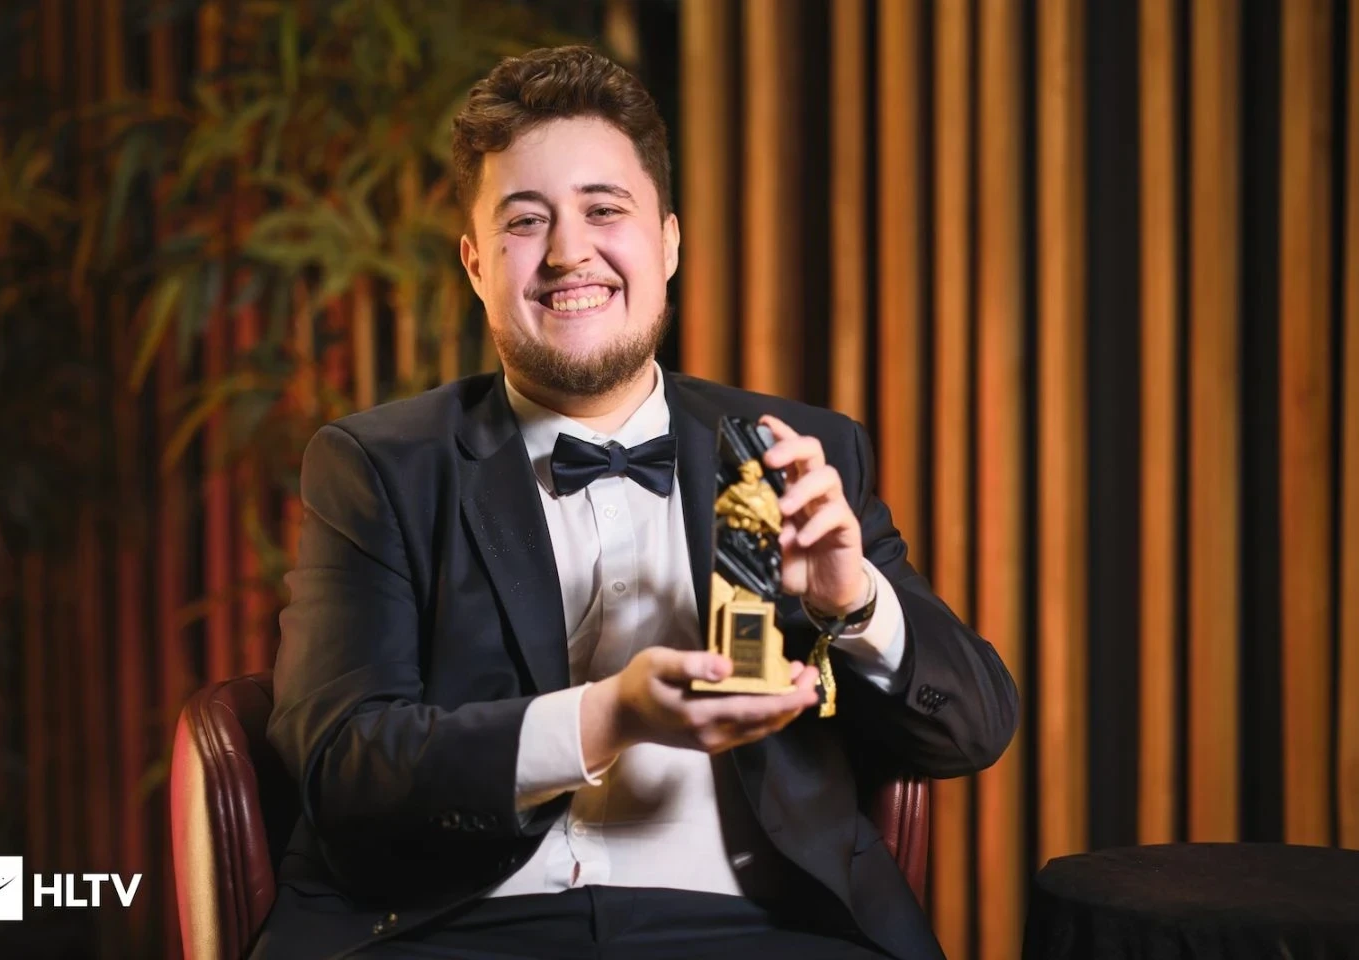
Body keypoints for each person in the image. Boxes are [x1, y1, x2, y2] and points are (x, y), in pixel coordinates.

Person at [250, 45, 1018, 960]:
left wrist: (851, 604)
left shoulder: (802, 450)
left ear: (669, 242)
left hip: (759, 928)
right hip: (456, 928)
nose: (568, 252)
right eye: (525, 221)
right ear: (476, 264)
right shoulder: (378, 466)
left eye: (604, 210)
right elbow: (343, 766)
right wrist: (606, 716)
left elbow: (972, 730)